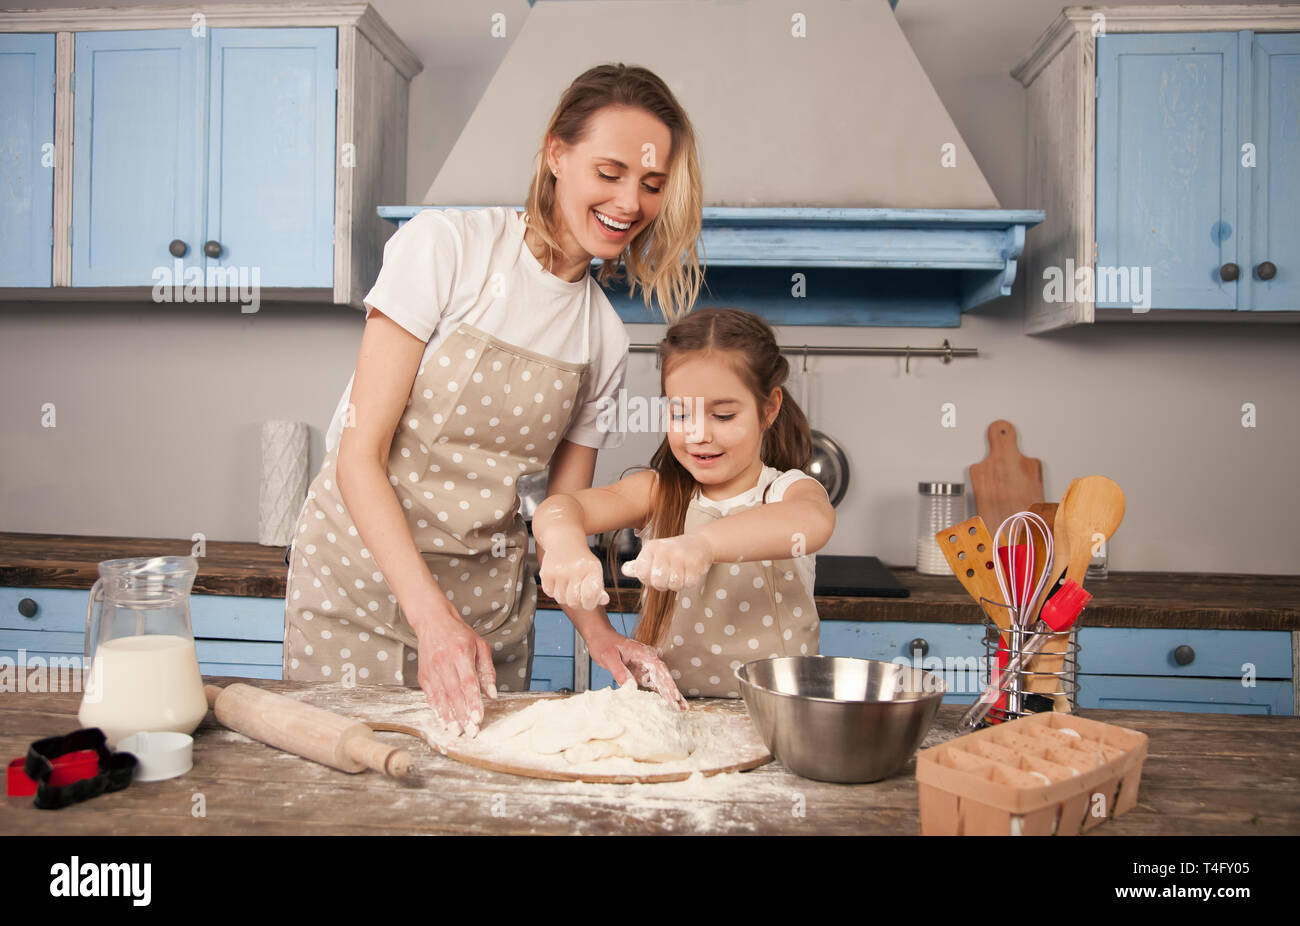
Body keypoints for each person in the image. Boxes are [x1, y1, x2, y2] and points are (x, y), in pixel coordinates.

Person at [282, 63, 705, 735]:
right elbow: (357, 458)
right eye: (610, 172)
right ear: (556, 154)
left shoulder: (604, 337)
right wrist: (431, 619)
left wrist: (600, 636)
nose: (630, 202)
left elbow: (558, 517)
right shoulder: (446, 249)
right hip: (358, 591)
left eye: (652, 185)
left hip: (486, 611)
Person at [533, 308, 836, 697]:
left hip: (773, 721)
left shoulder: (785, 492)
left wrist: (702, 544)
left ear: (769, 408)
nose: (698, 434)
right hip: (666, 716)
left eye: (723, 415)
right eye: (679, 413)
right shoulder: (657, 491)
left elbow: (812, 521)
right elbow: (560, 509)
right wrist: (563, 543)